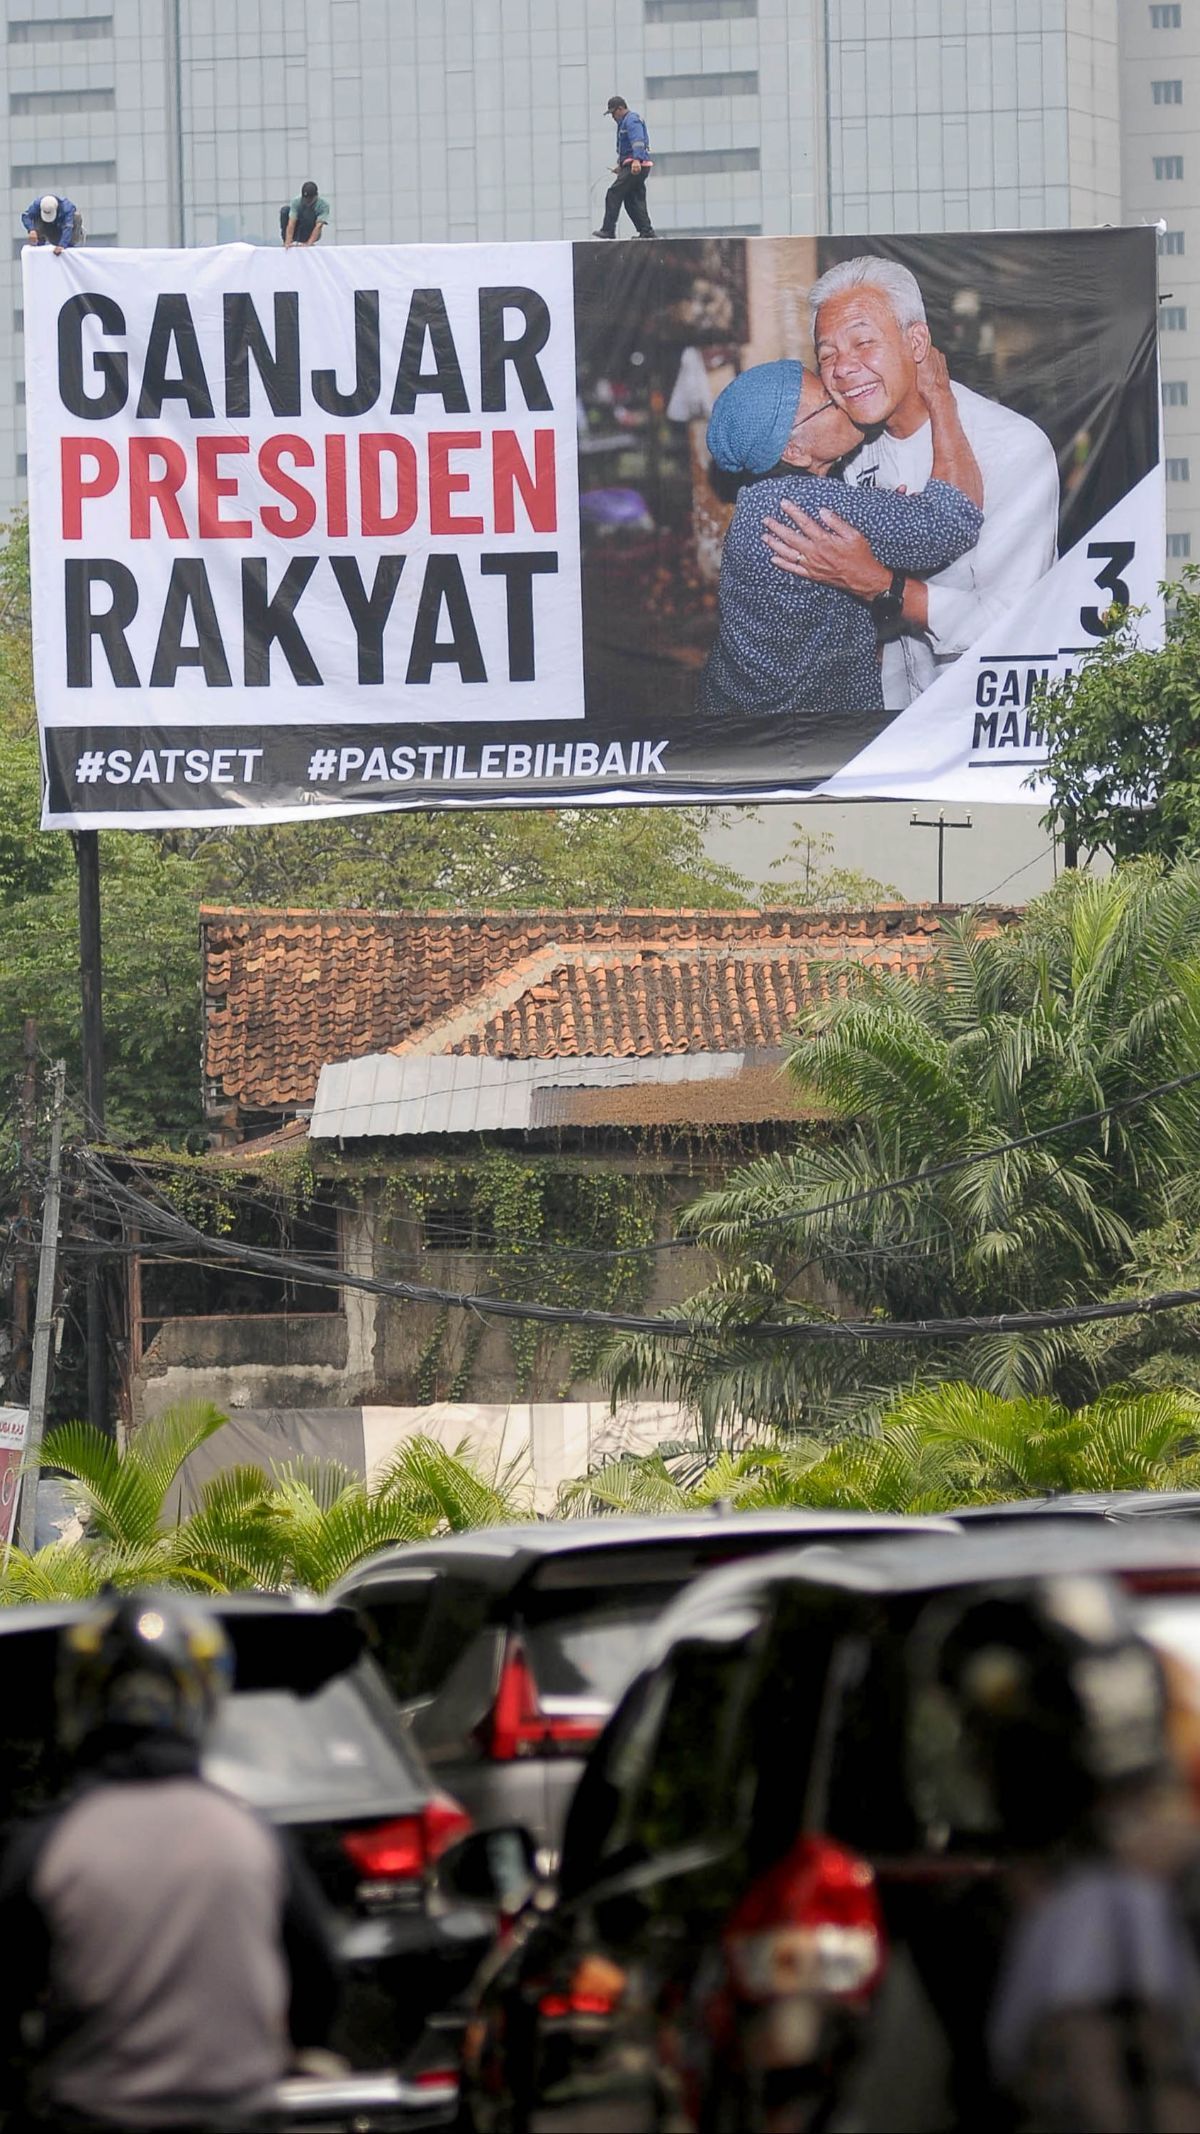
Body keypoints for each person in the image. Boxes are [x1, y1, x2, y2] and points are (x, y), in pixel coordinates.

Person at [0, 1590, 340, 2132]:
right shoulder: (250, 1835)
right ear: (201, 1700)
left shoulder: (49, 1845)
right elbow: (318, 1979)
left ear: (80, 1699)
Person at [763, 255, 1059, 711]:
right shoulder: (846, 449)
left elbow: (1010, 625)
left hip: (992, 723)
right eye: (827, 356)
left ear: (916, 341)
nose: (843, 368)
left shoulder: (1011, 447)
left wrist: (882, 585)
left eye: (863, 343)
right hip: (889, 725)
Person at [699, 348, 983, 718]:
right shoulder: (803, 505)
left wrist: (882, 528)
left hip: (734, 718)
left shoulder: (760, 499)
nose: (843, 398)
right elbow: (953, 521)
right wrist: (940, 396)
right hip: (799, 745)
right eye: (828, 402)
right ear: (795, 451)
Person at [594, 97, 657, 241]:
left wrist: (636, 160)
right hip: (634, 165)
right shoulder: (625, 122)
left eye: (613, 113)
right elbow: (626, 147)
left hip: (636, 165)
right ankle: (646, 231)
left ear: (620, 109)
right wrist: (621, 166)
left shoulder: (631, 120)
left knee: (614, 193)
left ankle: (608, 229)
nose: (613, 117)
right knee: (633, 199)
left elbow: (638, 141)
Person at [281, 179, 329, 248]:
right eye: (306, 199)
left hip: (310, 231)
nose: (308, 202)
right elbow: (291, 223)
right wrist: (288, 241)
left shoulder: (323, 205)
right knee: (285, 211)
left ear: (316, 196)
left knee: (308, 213)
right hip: (298, 229)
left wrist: (309, 243)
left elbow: (318, 226)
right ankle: (287, 241)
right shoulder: (296, 202)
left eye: (310, 200)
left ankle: (307, 240)